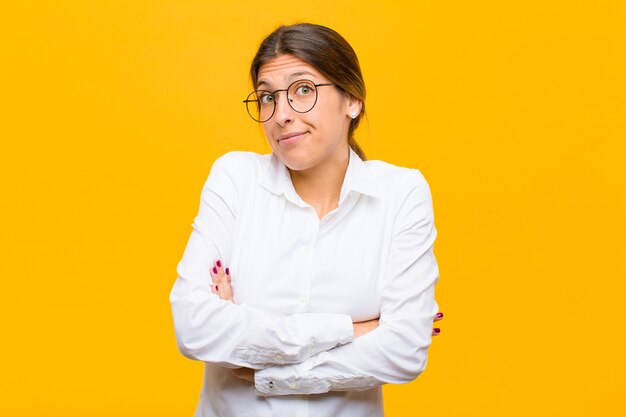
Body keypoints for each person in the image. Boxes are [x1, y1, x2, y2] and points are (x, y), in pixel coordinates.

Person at [169, 22, 443, 417]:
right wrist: (353, 329)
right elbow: (194, 327)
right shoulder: (235, 179)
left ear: (352, 100)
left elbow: (404, 352)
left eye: (303, 90)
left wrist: (263, 368)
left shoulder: (401, 193)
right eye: (266, 98)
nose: (280, 115)